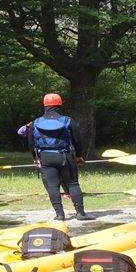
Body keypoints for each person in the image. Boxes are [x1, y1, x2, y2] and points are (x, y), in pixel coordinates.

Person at [26, 93, 94, 221]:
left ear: (45, 105)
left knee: (52, 186)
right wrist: (79, 156)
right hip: (65, 156)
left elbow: (31, 143)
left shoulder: (35, 123)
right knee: (73, 184)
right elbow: (77, 140)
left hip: (45, 157)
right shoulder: (68, 121)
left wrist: (36, 158)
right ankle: (80, 213)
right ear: (60, 104)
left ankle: (60, 215)